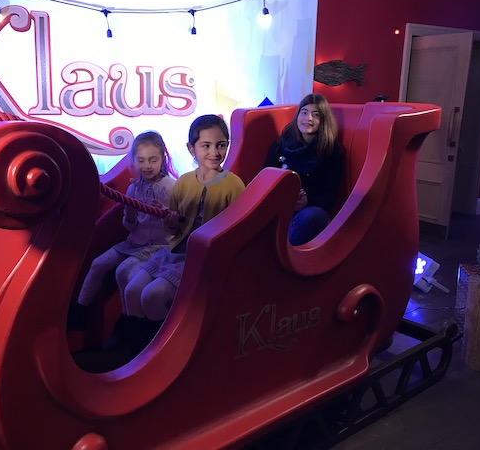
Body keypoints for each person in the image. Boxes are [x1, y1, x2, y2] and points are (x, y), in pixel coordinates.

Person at [107, 114, 245, 354]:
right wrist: (170, 221)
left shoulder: (234, 185)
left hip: (202, 258)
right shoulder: (184, 182)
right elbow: (174, 227)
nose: (214, 152)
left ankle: (159, 353)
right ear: (192, 149)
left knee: (152, 296)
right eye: (206, 146)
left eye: (221, 145)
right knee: (132, 290)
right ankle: (133, 348)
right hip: (174, 252)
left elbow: (237, 229)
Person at [67, 131, 176, 330]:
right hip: (134, 242)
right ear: (134, 161)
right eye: (141, 160)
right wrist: (131, 215)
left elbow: (179, 224)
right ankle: (79, 313)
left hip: (158, 247)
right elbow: (129, 226)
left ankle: (127, 323)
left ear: (163, 158)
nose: (147, 166)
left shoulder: (172, 188)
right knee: (98, 264)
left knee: (124, 271)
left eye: (153, 160)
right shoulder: (133, 189)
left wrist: (164, 213)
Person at [264, 93, 344, 246]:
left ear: (323, 120)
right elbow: (265, 181)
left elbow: (330, 197)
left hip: (311, 210)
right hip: (279, 206)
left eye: (316, 115)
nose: (309, 119)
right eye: (304, 112)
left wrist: (306, 201)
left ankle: (284, 252)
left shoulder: (332, 152)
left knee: (308, 217)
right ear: (298, 115)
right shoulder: (280, 145)